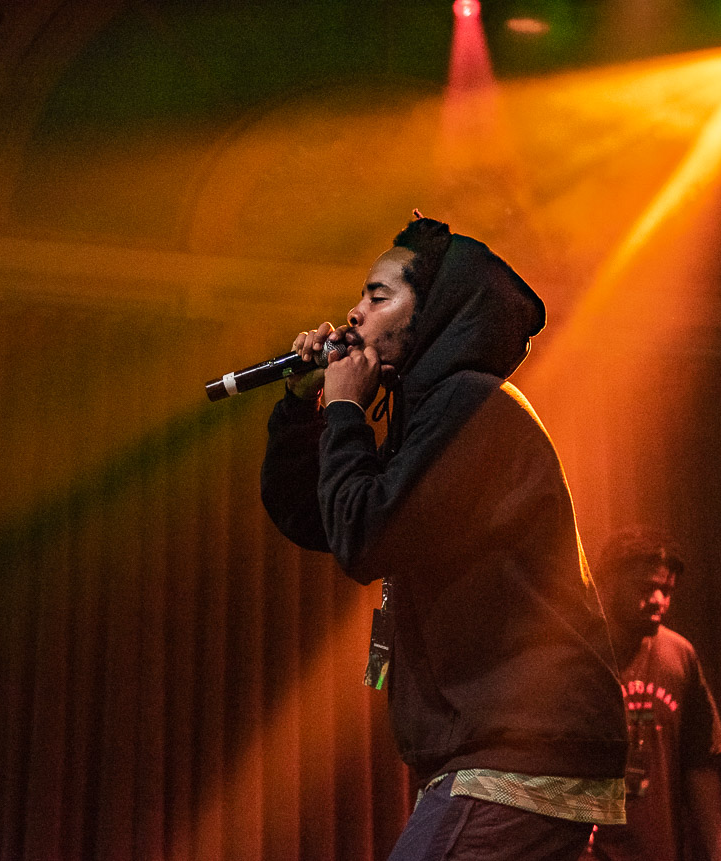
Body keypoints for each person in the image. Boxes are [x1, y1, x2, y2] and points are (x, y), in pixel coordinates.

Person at [260, 213, 628, 861]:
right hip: (508, 751)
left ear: (431, 312)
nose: (353, 313)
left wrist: (347, 407)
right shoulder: (435, 412)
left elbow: (364, 534)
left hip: (518, 753)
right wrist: (300, 405)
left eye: (378, 296)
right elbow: (321, 515)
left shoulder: (474, 405)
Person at [584, 527, 721, 861]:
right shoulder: (579, 655)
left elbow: (700, 767)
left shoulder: (679, 657)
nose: (658, 600)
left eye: (666, 590)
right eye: (645, 587)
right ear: (607, 583)